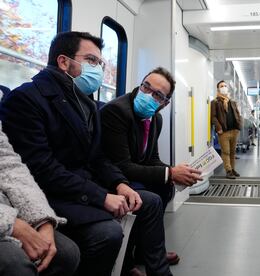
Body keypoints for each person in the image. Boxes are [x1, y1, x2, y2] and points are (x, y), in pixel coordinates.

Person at [0, 31, 172, 276]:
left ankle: (130, 267)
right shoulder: (27, 99)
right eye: (92, 61)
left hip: (80, 185)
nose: (99, 69)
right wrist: (101, 196)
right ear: (63, 62)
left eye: (100, 63)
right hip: (51, 191)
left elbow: (97, 157)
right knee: (108, 233)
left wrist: (119, 184)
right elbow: (42, 168)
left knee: (144, 201)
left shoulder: (86, 103)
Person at [100, 67, 203, 265]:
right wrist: (170, 172)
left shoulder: (156, 118)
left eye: (157, 94)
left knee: (166, 187)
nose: (147, 94)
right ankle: (140, 262)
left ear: (164, 104)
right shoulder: (117, 111)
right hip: (111, 177)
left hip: (130, 173)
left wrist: (175, 173)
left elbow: (152, 158)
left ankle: (144, 250)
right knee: (151, 199)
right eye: (146, 87)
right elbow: (121, 165)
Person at [0, 91, 80, 276]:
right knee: (15, 265)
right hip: (6, 215)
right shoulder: (28, 98)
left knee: (67, 253)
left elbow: (9, 166)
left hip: (9, 205)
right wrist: (12, 224)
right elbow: (44, 164)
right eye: (91, 60)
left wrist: (42, 220)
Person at [211, 80, 242, 179]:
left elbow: (237, 114)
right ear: (218, 89)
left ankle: (233, 169)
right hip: (223, 132)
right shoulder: (215, 102)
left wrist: (239, 126)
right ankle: (228, 171)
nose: (224, 87)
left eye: (225, 86)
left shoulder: (232, 102)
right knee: (226, 152)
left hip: (234, 130)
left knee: (233, 152)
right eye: (221, 86)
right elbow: (213, 117)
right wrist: (219, 127)